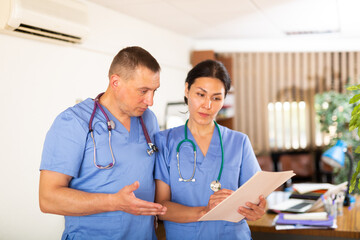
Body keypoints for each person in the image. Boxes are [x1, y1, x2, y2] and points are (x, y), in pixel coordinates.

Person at [39, 46, 167, 240]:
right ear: (115, 82)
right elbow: (48, 199)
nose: (150, 101)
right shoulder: (73, 123)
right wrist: (114, 202)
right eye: (143, 91)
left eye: (154, 91)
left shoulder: (148, 119)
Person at [154, 60, 266, 239]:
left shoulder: (239, 142)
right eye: (200, 94)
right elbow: (161, 207)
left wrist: (257, 210)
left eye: (216, 98)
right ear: (186, 90)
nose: (207, 105)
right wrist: (205, 211)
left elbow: (256, 199)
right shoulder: (164, 142)